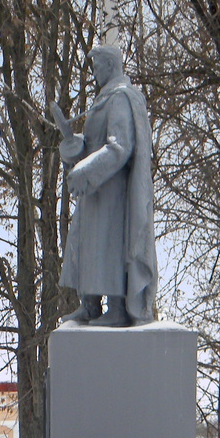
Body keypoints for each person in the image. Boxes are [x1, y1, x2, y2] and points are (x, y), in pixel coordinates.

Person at [51, 45, 157, 327]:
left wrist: (86, 170)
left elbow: (120, 146)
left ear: (109, 65)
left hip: (111, 187)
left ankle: (116, 308)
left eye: (97, 66)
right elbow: (92, 144)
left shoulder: (120, 98)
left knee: (108, 245)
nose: (94, 73)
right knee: (88, 245)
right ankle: (90, 304)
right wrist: (75, 149)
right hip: (95, 188)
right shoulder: (104, 99)